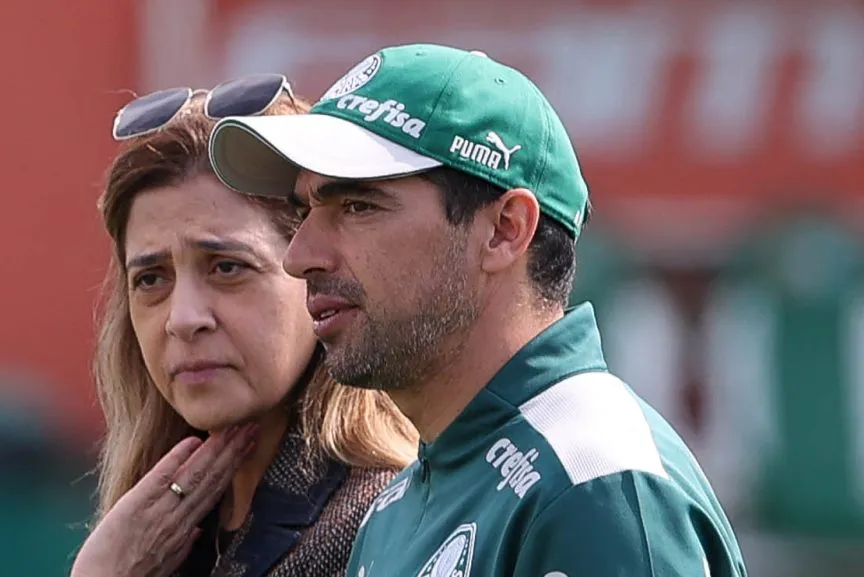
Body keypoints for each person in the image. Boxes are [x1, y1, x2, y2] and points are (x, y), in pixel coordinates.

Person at [207, 45, 749, 576]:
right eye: (305, 210)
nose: (299, 256)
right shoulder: (397, 505)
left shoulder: (596, 487)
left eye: (357, 205)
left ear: (504, 231)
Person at [70, 74, 417, 577]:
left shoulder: (379, 526)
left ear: (315, 273)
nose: (184, 319)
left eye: (227, 268)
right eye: (151, 279)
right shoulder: (144, 537)